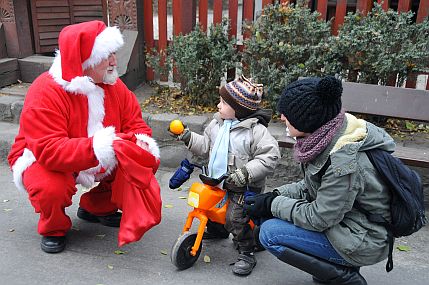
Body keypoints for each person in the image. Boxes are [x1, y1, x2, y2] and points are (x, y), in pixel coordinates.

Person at [7, 20, 161, 254]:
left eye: (113, 53)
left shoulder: (115, 86)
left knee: (142, 161)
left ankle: (96, 206)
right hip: (42, 158)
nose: (114, 61)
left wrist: (141, 144)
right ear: (85, 60)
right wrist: (100, 147)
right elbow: (49, 150)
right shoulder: (45, 91)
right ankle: (53, 227)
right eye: (107, 55)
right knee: (50, 187)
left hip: (95, 153)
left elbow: (135, 124)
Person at [244, 76, 395, 285]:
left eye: (287, 114)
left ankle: (344, 276)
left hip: (364, 239)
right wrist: (275, 195)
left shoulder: (343, 160)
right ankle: (332, 265)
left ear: (307, 120)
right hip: (352, 222)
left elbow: (319, 217)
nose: (281, 117)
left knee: (270, 233)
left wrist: (272, 205)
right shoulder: (332, 134)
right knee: (271, 219)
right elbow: (312, 185)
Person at [170, 75, 281, 276]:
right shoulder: (217, 125)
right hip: (218, 180)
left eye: (223, 102)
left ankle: (246, 251)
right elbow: (205, 146)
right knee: (209, 205)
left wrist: (245, 173)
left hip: (243, 185)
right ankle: (217, 230)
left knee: (235, 218)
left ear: (239, 108)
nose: (218, 105)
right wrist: (187, 137)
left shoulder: (255, 132)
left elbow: (270, 156)